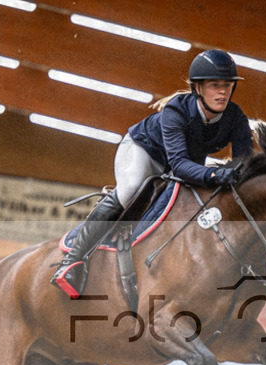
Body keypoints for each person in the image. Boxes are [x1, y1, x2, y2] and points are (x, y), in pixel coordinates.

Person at [53, 49, 254, 298]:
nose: (222, 92)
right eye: (215, 85)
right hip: (143, 151)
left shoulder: (236, 118)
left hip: (180, 165)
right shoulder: (176, 112)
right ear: (198, 88)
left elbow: (245, 166)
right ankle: (72, 261)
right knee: (130, 191)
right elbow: (179, 165)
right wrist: (214, 176)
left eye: (227, 85)